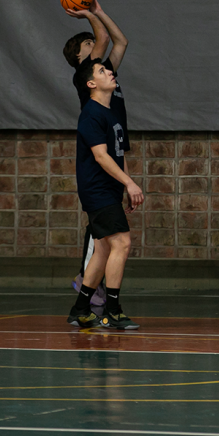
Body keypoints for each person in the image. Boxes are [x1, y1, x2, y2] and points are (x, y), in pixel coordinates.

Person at [62, 0, 130, 308]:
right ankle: (87, 285)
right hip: (97, 163)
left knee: (104, 234)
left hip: (113, 149)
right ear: (81, 60)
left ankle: (89, 290)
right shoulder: (87, 76)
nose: (96, 45)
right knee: (101, 235)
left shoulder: (105, 75)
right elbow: (104, 36)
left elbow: (121, 42)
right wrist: (88, 12)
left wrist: (98, 10)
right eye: (89, 47)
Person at [67, 58, 143, 330]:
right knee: (121, 243)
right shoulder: (90, 113)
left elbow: (117, 154)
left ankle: (80, 309)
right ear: (91, 83)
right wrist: (131, 184)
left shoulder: (112, 113)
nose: (110, 72)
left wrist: (125, 186)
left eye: (108, 70)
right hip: (96, 190)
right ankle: (112, 311)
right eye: (102, 71)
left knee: (101, 251)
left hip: (109, 190)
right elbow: (100, 157)